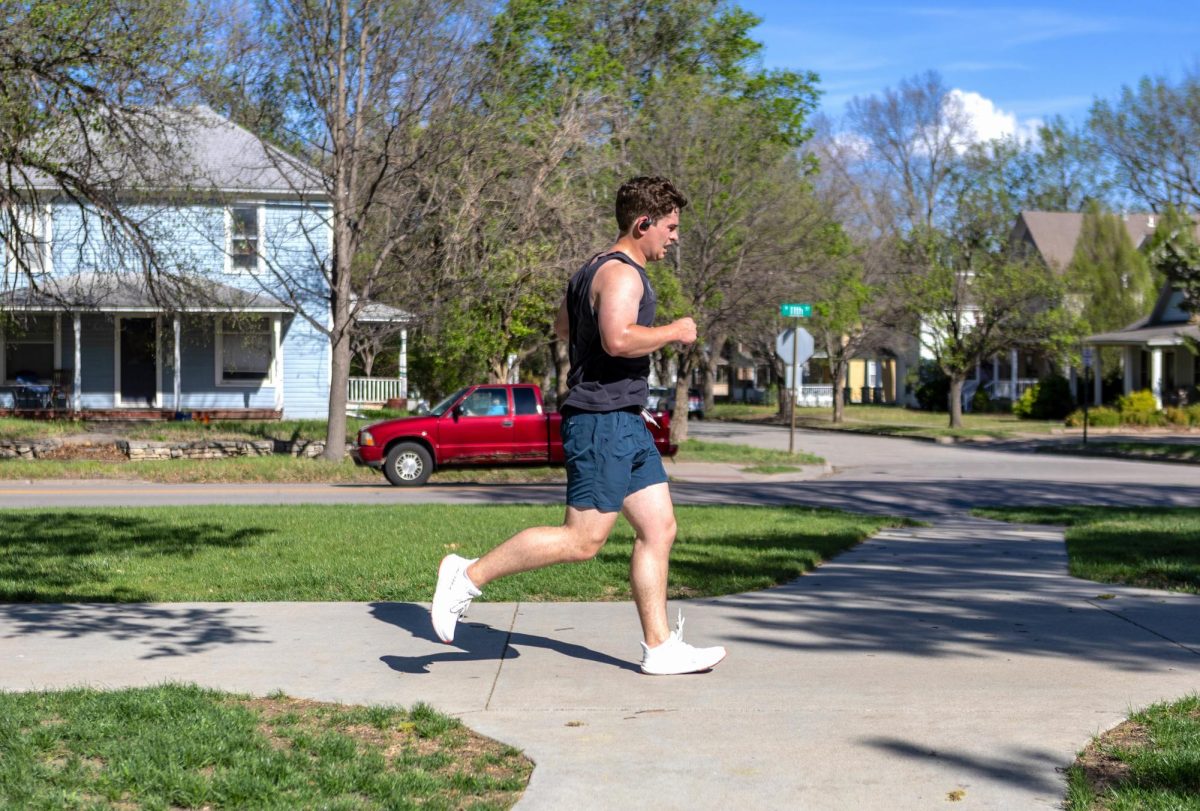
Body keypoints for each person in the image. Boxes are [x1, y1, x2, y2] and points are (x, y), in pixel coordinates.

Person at [431, 176, 727, 676]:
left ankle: (660, 648)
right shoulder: (623, 276)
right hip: (601, 421)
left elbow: (565, 327)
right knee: (584, 539)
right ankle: (466, 575)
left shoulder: (589, 271)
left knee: (659, 528)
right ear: (643, 224)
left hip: (625, 421)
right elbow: (616, 340)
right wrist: (674, 331)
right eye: (670, 227)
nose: (674, 237)